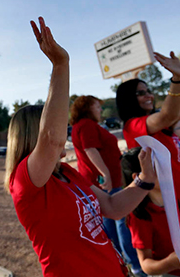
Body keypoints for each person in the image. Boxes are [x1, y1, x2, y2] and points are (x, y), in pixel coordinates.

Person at [5, 17, 158, 277]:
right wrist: (61, 65)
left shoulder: (65, 173)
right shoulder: (24, 181)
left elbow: (111, 207)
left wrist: (144, 180)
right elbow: (51, 139)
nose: (63, 134)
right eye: (56, 126)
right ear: (34, 135)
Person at [116, 58, 180, 224]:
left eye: (148, 91)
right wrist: (177, 79)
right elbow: (168, 115)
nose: (149, 96)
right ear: (128, 98)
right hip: (178, 205)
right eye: (140, 93)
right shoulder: (134, 125)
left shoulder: (155, 122)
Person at [70, 96, 144, 276]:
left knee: (109, 223)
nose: (100, 110)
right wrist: (106, 174)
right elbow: (90, 150)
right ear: (87, 108)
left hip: (99, 181)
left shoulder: (81, 126)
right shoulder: (87, 125)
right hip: (105, 182)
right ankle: (135, 265)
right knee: (121, 219)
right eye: (97, 106)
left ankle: (121, 263)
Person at [121, 148, 180, 277]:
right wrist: (170, 263)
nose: (166, 169)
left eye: (164, 164)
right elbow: (145, 265)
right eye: (156, 167)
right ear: (138, 177)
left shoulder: (173, 200)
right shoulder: (140, 216)